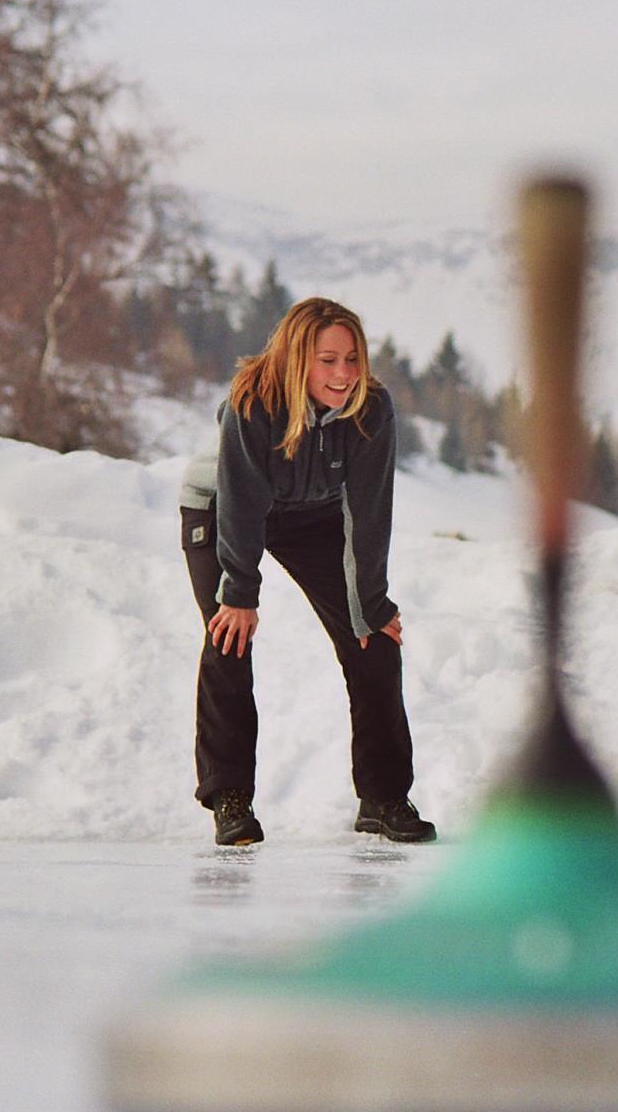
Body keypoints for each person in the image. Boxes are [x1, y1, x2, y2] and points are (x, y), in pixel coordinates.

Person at [177, 296, 434, 846]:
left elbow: (368, 512)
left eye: (352, 359)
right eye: (327, 360)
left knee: (373, 640)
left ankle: (383, 797)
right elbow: (242, 504)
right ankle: (230, 798)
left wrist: (371, 606)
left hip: (312, 513)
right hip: (220, 506)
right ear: (298, 360)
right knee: (229, 637)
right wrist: (239, 593)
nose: (343, 374)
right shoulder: (253, 402)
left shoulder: (371, 409)